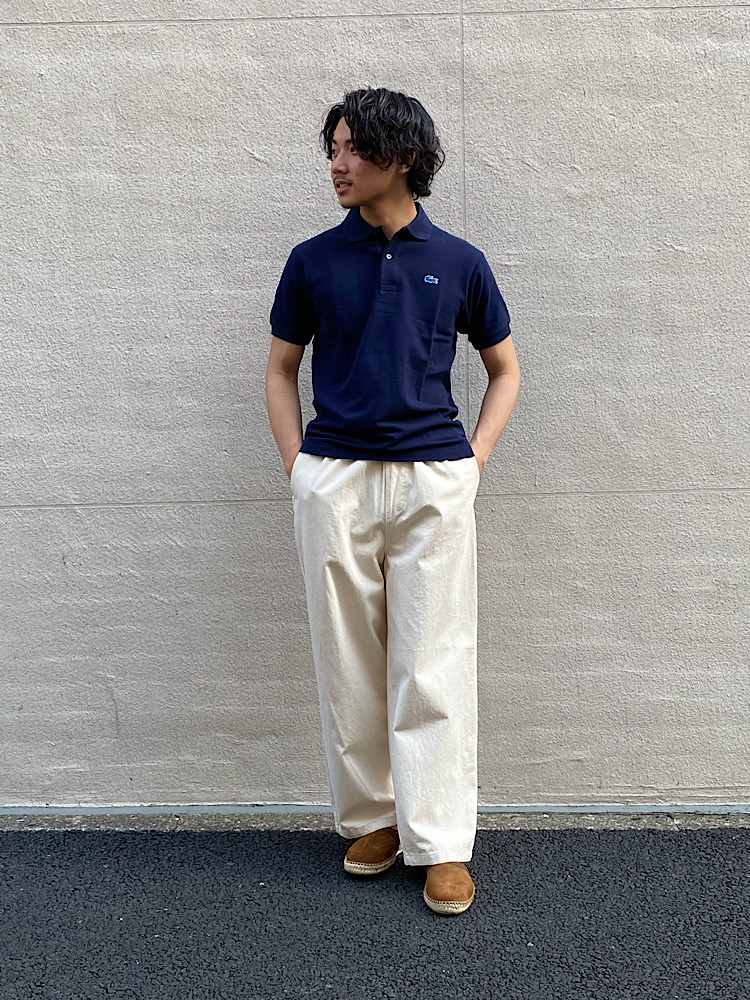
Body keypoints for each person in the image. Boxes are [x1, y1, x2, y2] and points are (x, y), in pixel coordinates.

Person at [265, 87, 520, 915]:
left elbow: (505, 368)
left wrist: (473, 462)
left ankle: (440, 841)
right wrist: (300, 469)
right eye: (333, 147)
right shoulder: (312, 260)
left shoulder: (460, 261)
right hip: (334, 478)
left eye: (353, 149)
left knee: (433, 656)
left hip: (432, 480)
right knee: (347, 658)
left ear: (401, 158)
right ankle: (374, 818)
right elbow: (280, 369)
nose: (337, 164)